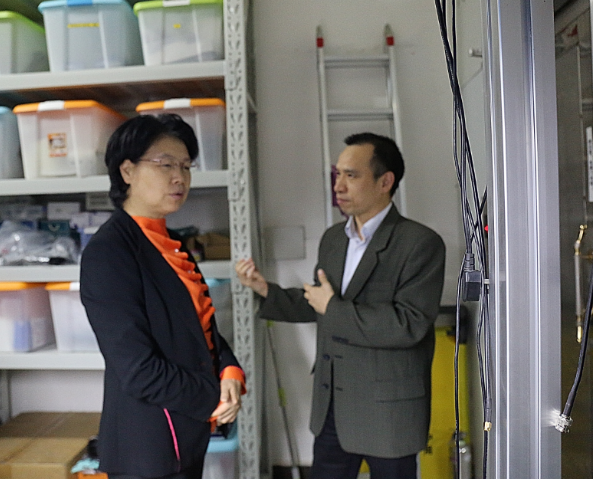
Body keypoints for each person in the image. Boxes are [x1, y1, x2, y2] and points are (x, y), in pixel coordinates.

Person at [236, 132, 445, 479]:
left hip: (388, 411)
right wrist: (265, 290)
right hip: (334, 404)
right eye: (337, 174)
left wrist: (332, 307)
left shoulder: (420, 243)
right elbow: (318, 303)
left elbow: (408, 325)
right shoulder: (334, 239)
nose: (339, 185)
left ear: (385, 182)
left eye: (351, 175)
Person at [81, 114, 245, 479]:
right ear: (127, 171)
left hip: (186, 433)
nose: (180, 177)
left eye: (185, 166)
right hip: (147, 448)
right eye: (165, 164)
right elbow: (138, 369)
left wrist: (229, 369)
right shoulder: (109, 252)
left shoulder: (172, 243)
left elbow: (199, 328)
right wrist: (213, 396)